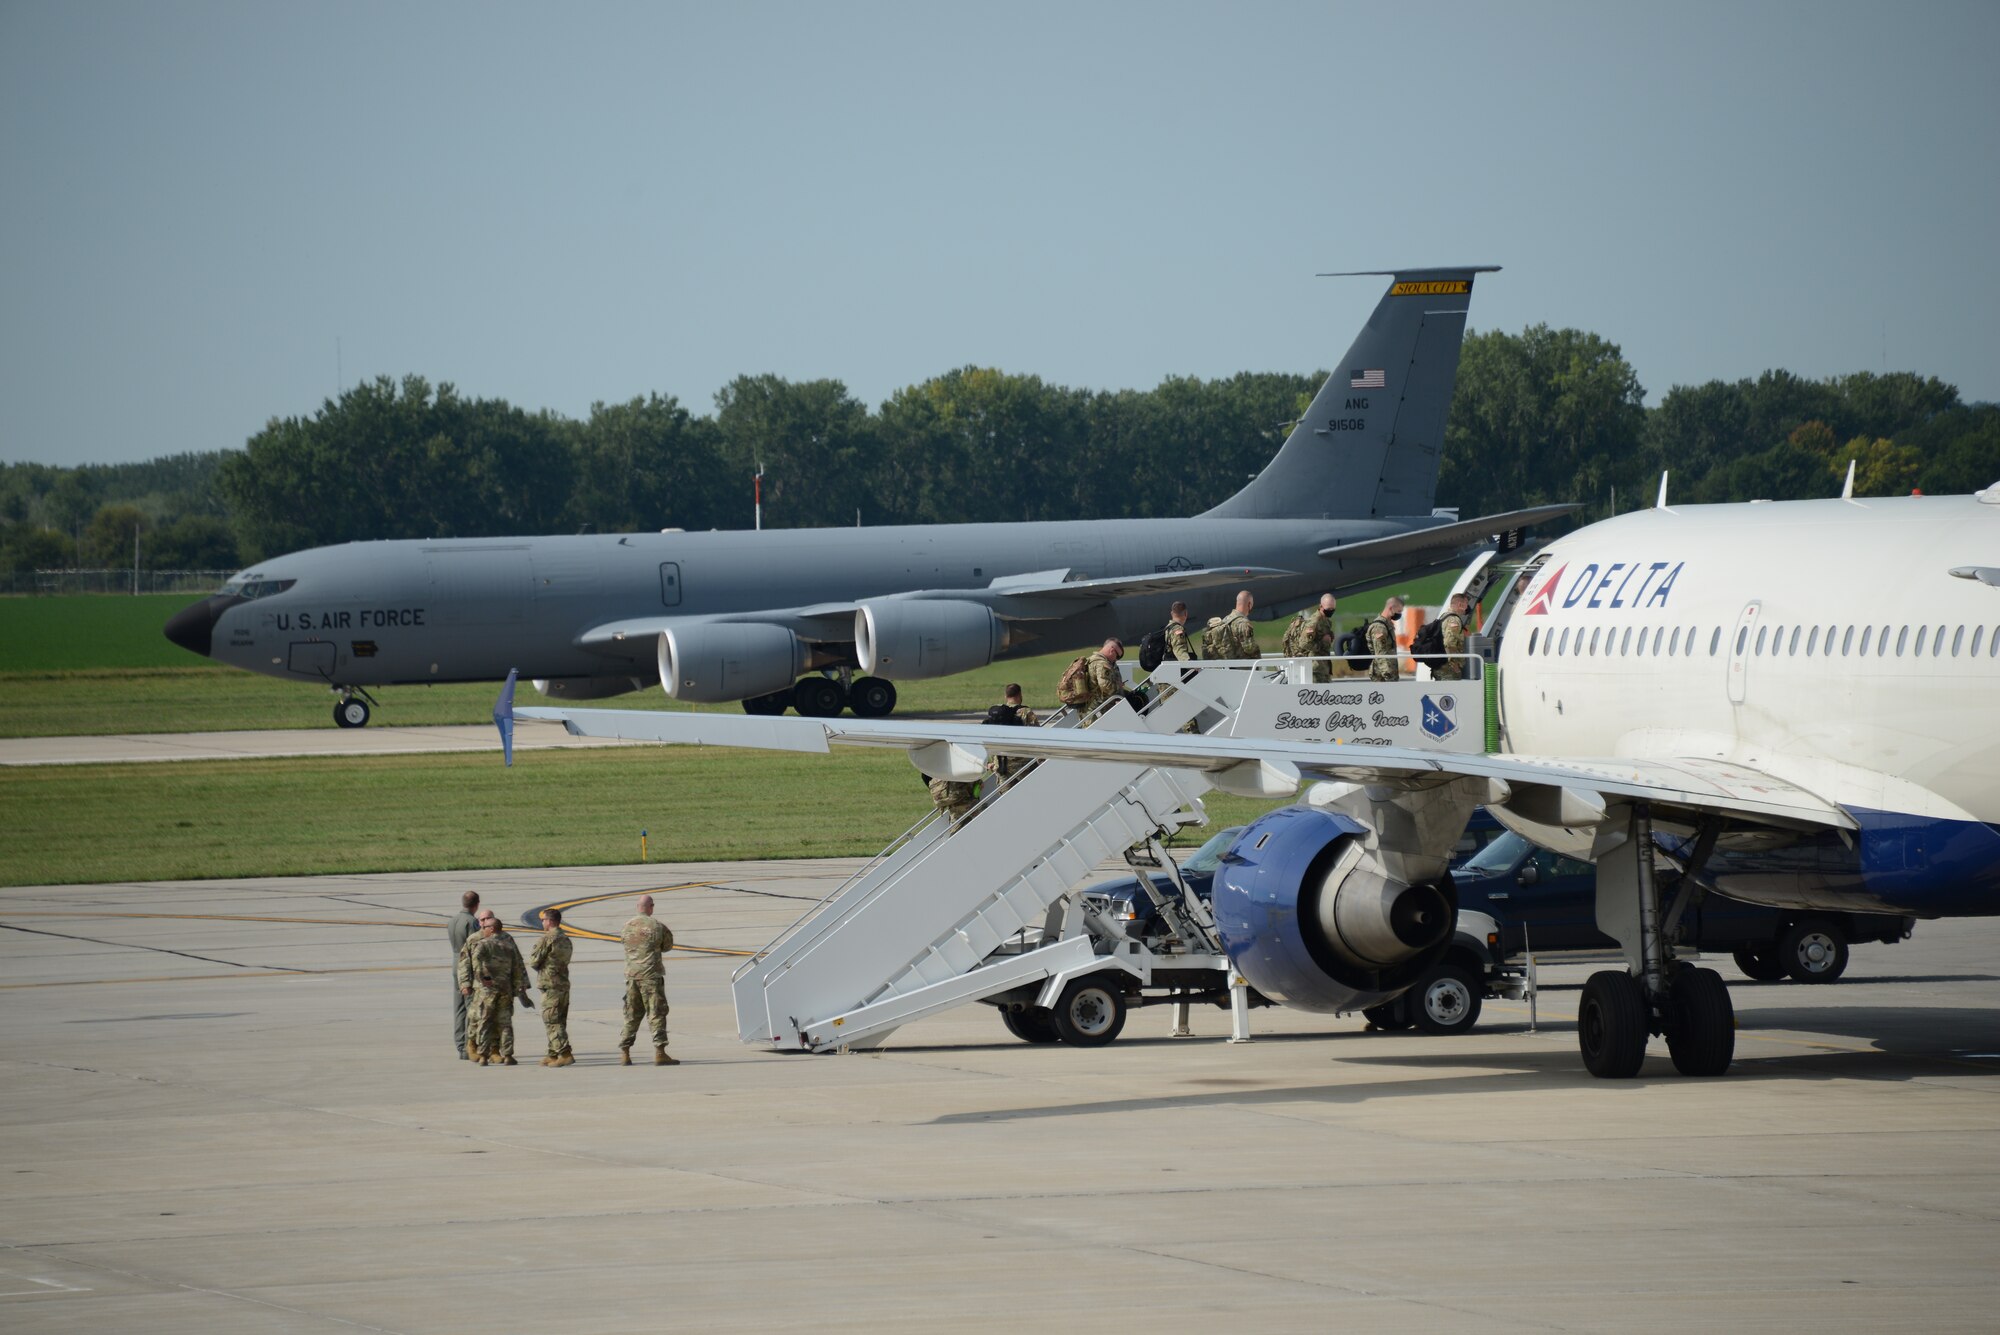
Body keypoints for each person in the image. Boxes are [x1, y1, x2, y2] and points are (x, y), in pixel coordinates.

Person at [458, 910, 529, 1066]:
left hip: (494, 988)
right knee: (476, 1018)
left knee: (499, 1021)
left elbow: (518, 963)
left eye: (487, 919)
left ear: (492, 924)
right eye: (482, 919)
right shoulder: (474, 939)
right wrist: (465, 983)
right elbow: (465, 963)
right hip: (480, 987)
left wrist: (521, 985)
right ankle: (472, 1046)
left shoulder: (506, 939)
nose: (484, 922)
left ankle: (494, 1051)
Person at [618, 894, 677, 1066]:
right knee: (656, 1013)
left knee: (631, 1014)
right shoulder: (657, 926)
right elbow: (667, 946)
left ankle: (625, 1052)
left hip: (632, 977)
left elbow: (625, 943)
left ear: (638, 907)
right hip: (651, 976)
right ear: (651, 907)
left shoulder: (626, 926)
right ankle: (660, 1052)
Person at [529, 907, 574, 1066]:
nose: (542, 922)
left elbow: (534, 961)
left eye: (543, 920)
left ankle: (564, 1052)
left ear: (550, 921)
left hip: (550, 984)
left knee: (551, 1020)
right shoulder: (566, 939)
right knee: (559, 1019)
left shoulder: (547, 939)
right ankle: (553, 1053)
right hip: (563, 984)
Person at [985, 683, 1038, 782]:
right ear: (1019, 695)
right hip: (1022, 765)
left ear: (1005, 696)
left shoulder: (997, 714)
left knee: (1006, 796)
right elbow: (1038, 737)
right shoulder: (1026, 712)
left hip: (1001, 764)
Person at [449, 890, 480, 1060]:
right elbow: (474, 947)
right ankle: (469, 1044)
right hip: (466, 966)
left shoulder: (452, 921)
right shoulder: (472, 922)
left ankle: (460, 1045)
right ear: (477, 904)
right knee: (470, 1005)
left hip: (455, 963)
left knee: (458, 1006)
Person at [1057, 638, 1125, 714]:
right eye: (1117, 656)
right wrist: (1118, 686)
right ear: (1111, 651)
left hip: (1088, 709)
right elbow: (1106, 686)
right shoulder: (1102, 664)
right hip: (1098, 710)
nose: (1116, 659)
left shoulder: (1091, 659)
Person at [1282, 593, 1338, 682]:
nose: (1330, 611)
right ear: (1321, 606)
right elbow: (1304, 643)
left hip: (1323, 666)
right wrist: (1323, 643)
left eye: (1332, 609)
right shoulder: (1314, 622)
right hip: (1315, 668)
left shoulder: (1325, 621)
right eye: (1328, 609)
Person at [1366, 595, 1407, 682]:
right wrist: (1389, 677)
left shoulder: (1387, 625)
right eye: (1399, 611)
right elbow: (1381, 654)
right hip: (1382, 676)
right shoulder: (1380, 627)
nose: (1399, 614)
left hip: (1389, 673)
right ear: (1391, 608)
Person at [1432, 593, 1472, 681]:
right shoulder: (1454, 620)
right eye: (1466, 604)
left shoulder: (1444, 616)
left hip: (1440, 664)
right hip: (1448, 668)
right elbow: (1449, 643)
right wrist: (1454, 665)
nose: (1467, 607)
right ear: (1460, 605)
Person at [1217, 590, 1259, 661]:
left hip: (1226, 667)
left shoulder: (1225, 620)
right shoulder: (1243, 623)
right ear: (1249, 604)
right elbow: (1250, 648)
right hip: (1241, 669)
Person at [1163, 601, 1197, 666]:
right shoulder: (1177, 629)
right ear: (1186, 613)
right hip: (1176, 667)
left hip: (1169, 665)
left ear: (1172, 613)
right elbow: (1179, 647)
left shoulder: (1168, 627)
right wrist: (1188, 663)